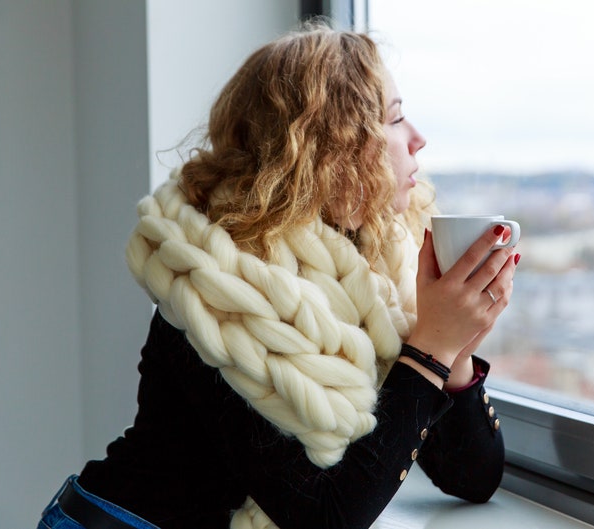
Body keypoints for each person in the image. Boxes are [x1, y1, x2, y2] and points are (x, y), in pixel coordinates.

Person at [37, 21, 519, 529]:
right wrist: (431, 351)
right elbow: (324, 516)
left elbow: (474, 477)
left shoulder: (380, 263)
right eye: (395, 120)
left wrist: (456, 345)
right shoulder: (216, 290)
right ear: (329, 150)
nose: (418, 140)